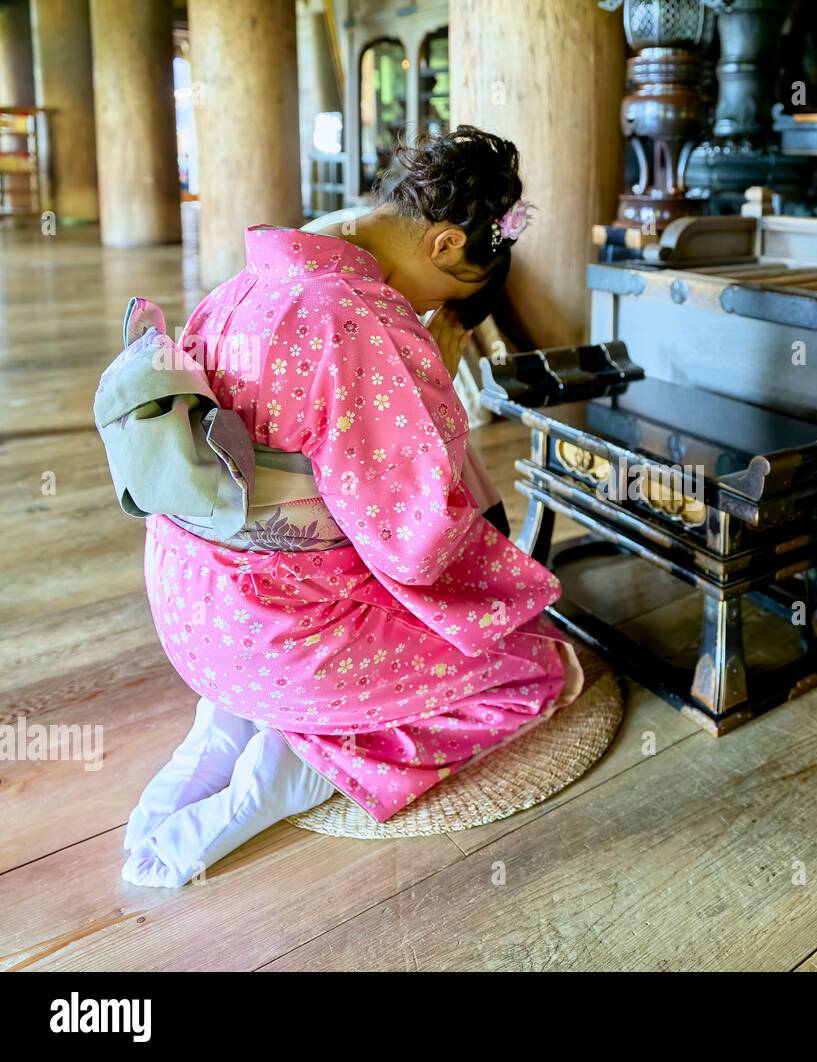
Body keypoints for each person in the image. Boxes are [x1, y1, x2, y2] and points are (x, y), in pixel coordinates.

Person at [119, 126, 582, 888]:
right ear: (440, 244)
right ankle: (296, 757)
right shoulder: (359, 319)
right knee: (532, 669)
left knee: (307, 598)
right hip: (285, 633)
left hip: (193, 609)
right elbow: (414, 539)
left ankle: (227, 728)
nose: (438, 310)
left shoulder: (246, 283)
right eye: (454, 292)